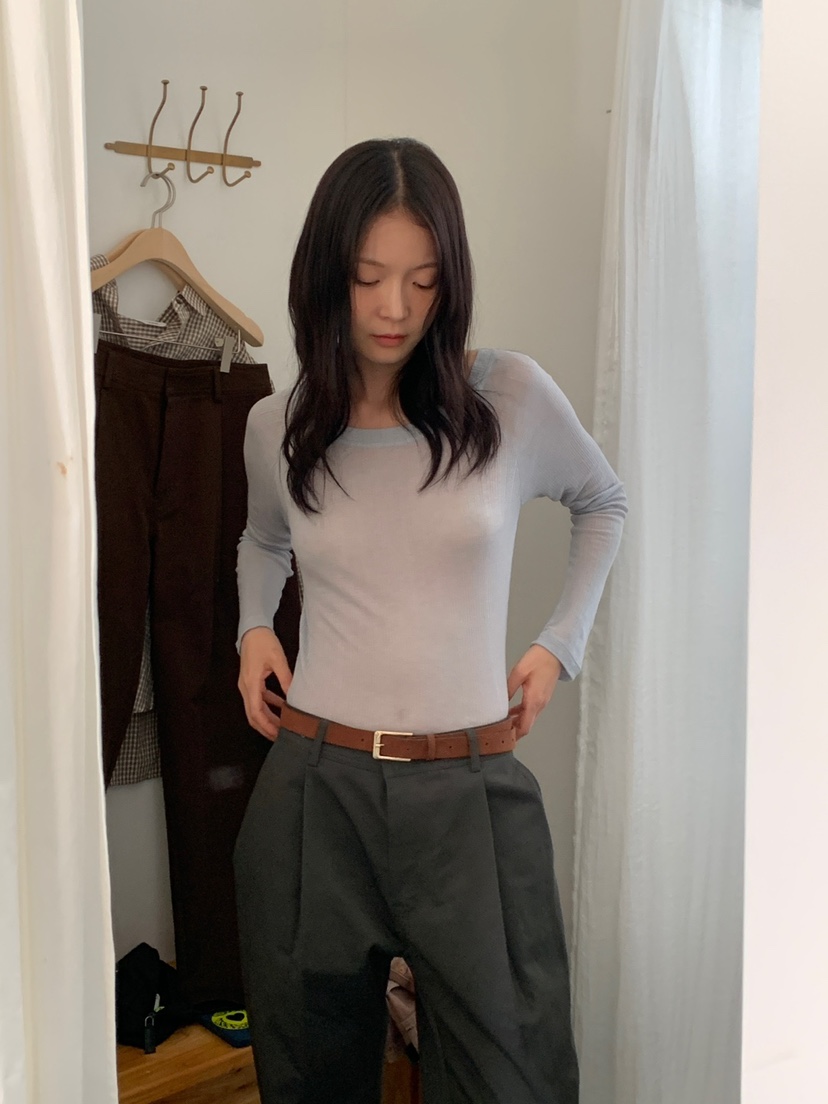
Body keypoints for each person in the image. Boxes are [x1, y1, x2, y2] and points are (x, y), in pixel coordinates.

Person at [233, 137, 627, 1104]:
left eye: (423, 279)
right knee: (311, 1076)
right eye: (369, 278)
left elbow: (602, 502)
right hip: (316, 790)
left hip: (470, 790)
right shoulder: (278, 425)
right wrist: (254, 630)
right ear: (326, 275)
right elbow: (263, 538)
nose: (396, 308)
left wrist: (559, 645)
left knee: (513, 1076)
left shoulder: (510, 397)